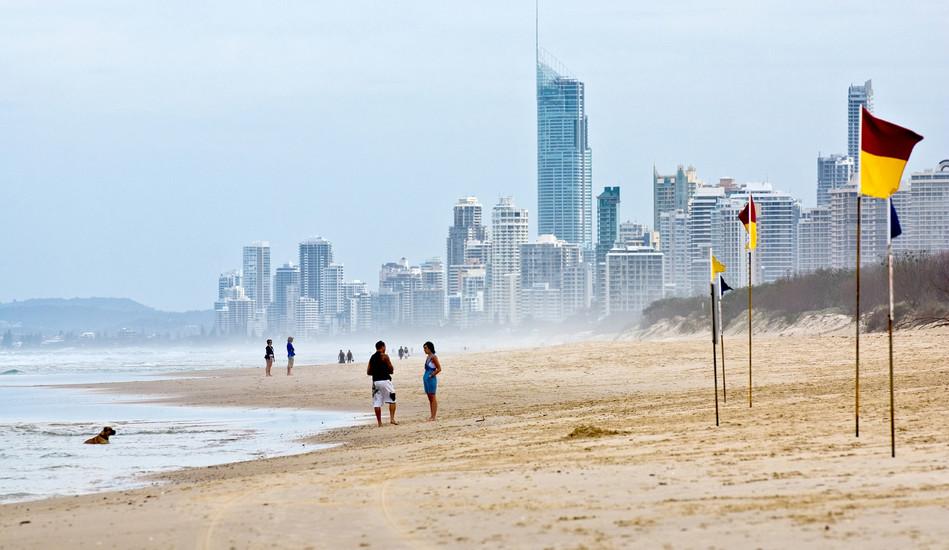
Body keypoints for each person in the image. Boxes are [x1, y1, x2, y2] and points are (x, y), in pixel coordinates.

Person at [367, 340, 397, 427]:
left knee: (377, 402)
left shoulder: (372, 357)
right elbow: (391, 369)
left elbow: (368, 372)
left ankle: (379, 423)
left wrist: (376, 372)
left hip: (375, 382)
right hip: (385, 380)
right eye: (385, 347)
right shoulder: (384, 356)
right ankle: (392, 419)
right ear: (383, 347)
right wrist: (388, 370)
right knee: (392, 399)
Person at [422, 341, 442, 421]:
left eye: (425, 348)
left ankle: (433, 416)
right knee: (429, 397)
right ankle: (431, 415)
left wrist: (431, 375)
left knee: (432, 397)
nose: (424, 350)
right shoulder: (428, 357)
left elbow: (439, 369)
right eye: (424, 348)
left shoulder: (434, 357)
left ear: (430, 348)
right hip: (426, 379)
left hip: (431, 379)